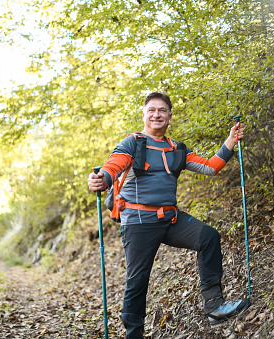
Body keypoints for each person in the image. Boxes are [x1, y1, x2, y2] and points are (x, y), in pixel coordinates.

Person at [87, 92, 251, 338]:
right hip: (138, 223)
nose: (156, 115)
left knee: (208, 237)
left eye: (162, 110)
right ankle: (134, 333)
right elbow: (113, 166)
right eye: (152, 110)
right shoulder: (132, 143)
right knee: (138, 280)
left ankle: (215, 308)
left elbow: (211, 166)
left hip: (169, 219)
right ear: (143, 114)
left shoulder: (177, 149)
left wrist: (230, 140)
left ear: (169, 116)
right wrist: (101, 179)